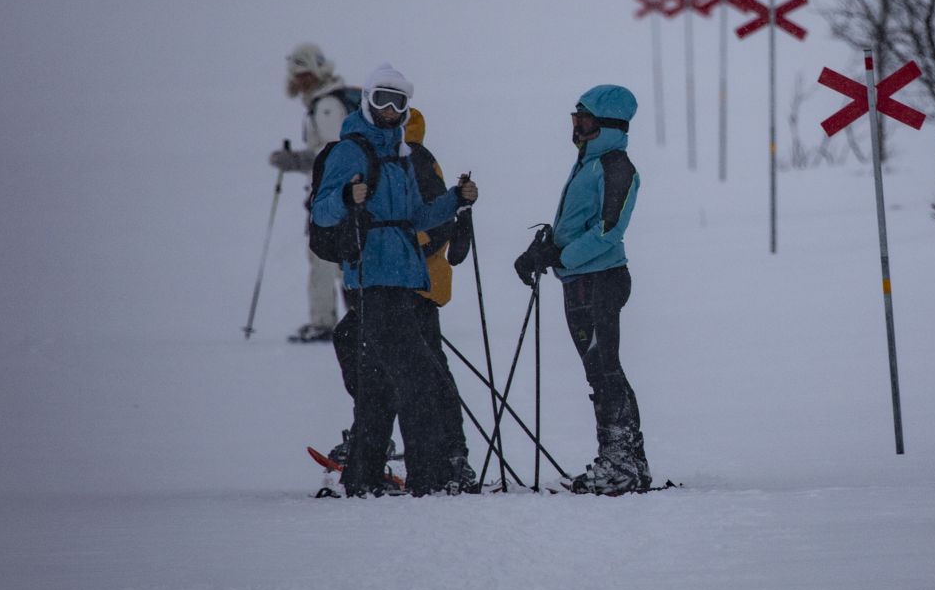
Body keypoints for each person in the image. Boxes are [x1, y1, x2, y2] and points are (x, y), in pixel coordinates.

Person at [311, 65, 479, 497]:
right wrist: (348, 198)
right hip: (373, 279)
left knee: (379, 385)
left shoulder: (401, 155)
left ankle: (363, 478)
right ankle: (430, 478)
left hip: (404, 280)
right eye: (382, 99)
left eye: (398, 101)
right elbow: (322, 211)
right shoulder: (351, 151)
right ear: (367, 100)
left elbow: (417, 218)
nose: (389, 109)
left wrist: (454, 201)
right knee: (418, 380)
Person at [515, 84, 651, 495]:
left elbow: (610, 229)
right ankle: (628, 462)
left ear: (607, 125)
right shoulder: (587, 164)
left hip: (603, 279)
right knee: (601, 369)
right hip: (579, 282)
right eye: (575, 118)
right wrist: (544, 249)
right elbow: (576, 223)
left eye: (585, 119)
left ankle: (620, 465)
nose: (576, 126)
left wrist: (562, 256)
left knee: (604, 368)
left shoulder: (616, 165)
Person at [271, 43, 360, 343]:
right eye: (298, 74)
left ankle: (324, 322)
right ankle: (351, 318)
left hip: (333, 197)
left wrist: (295, 161)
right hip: (338, 196)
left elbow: (334, 153)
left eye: (305, 74)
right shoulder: (329, 102)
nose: (301, 81)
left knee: (323, 259)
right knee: (339, 260)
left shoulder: (326, 107)